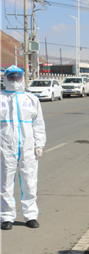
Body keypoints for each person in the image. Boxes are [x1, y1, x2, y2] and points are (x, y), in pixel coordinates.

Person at [0, 66, 46, 229]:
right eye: (11, 78)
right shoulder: (1, 98)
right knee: (5, 182)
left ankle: (30, 215)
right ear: (5, 79)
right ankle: (6, 216)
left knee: (29, 181)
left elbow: (38, 123)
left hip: (28, 147)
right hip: (5, 147)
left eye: (17, 78)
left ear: (22, 79)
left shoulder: (31, 99)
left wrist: (39, 144)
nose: (14, 81)